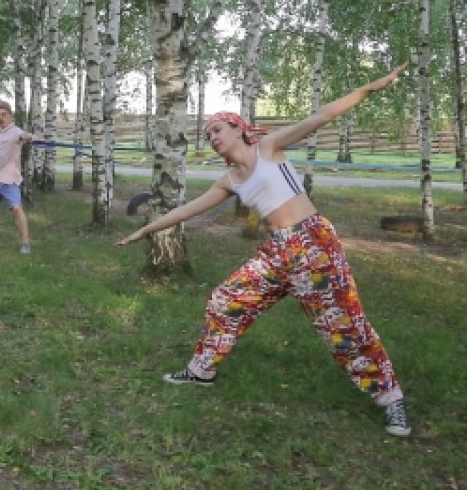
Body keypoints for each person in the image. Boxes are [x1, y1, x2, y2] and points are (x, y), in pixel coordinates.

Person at [115, 64, 411, 437]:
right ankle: (201, 371)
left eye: (217, 129)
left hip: (313, 244)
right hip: (277, 251)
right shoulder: (229, 180)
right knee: (226, 300)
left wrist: (369, 88)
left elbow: (321, 116)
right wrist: (146, 228)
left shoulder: (269, 149)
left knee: (343, 325)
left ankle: (391, 399)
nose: (212, 137)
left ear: (239, 128)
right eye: (208, 134)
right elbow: (185, 210)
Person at [0, 101, 41, 254]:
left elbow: (23, 135)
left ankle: (25, 243)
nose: (1, 118)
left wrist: (33, 137)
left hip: (10, 181)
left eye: (4, 115)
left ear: (10, 116)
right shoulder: (0, 130)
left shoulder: (16, 132)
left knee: (17, 209)